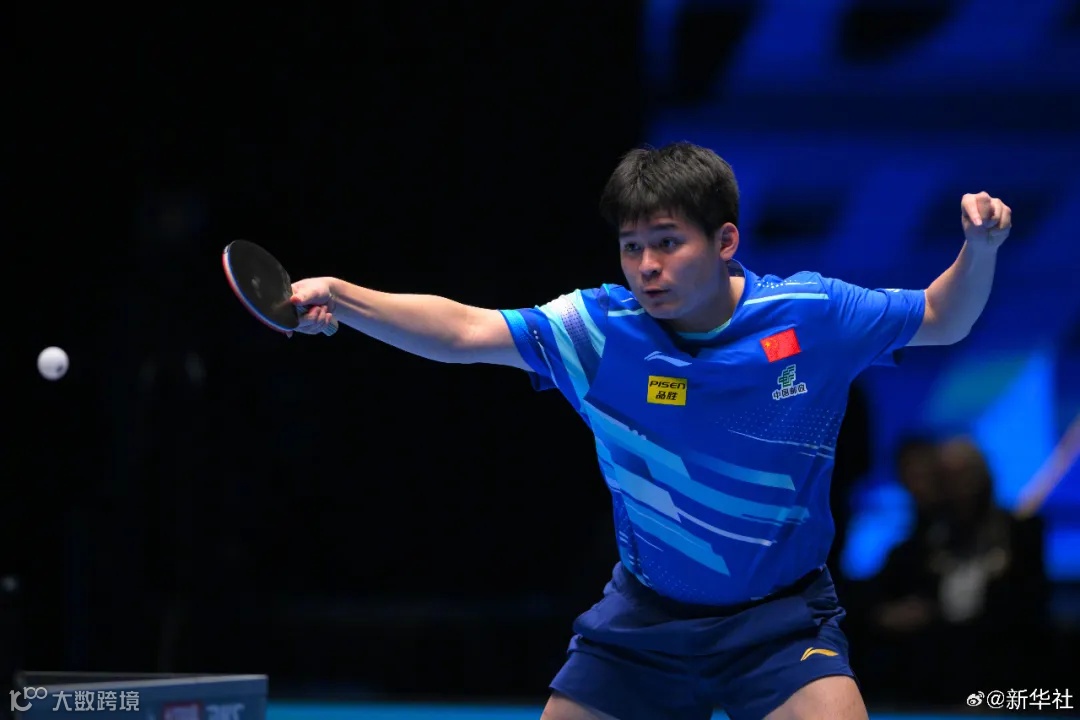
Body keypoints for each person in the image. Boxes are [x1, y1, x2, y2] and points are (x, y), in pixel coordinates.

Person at [287, 142, 1012, 720]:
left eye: (667, 242)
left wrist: (978, 251)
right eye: (631, 247)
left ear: (725, 240)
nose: (647, 267)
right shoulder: (600, 331)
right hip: (644, 624)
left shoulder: (810, 315)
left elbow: (941, 317)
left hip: (781, 622)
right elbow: (462, 332)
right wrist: (343, 298)